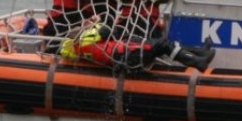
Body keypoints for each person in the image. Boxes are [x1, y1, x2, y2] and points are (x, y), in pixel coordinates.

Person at [59, 23, 214, 73]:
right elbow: (106, 30)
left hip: (124, 54)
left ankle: (199, 53)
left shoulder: (78, 47)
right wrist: (95, 23)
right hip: (125, 57)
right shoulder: (85, 40)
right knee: (163, 44)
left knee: (162, 43)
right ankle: (198, 62)